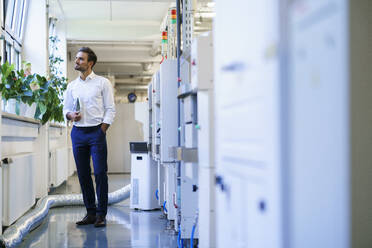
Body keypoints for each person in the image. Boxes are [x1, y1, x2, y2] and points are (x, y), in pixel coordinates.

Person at [63, 47, 115, 227]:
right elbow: (66, 109)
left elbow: (110, 109)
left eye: (80, 59)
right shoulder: (72, 86)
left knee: (100, 173)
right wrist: (71, 116)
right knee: (83, 174)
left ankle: (101, 214)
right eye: (76, 58)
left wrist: (102, 129)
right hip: (78, 133)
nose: (76, 61)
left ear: (90, 63)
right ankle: (90, 213)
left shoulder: (103, 83)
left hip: (96, 132)